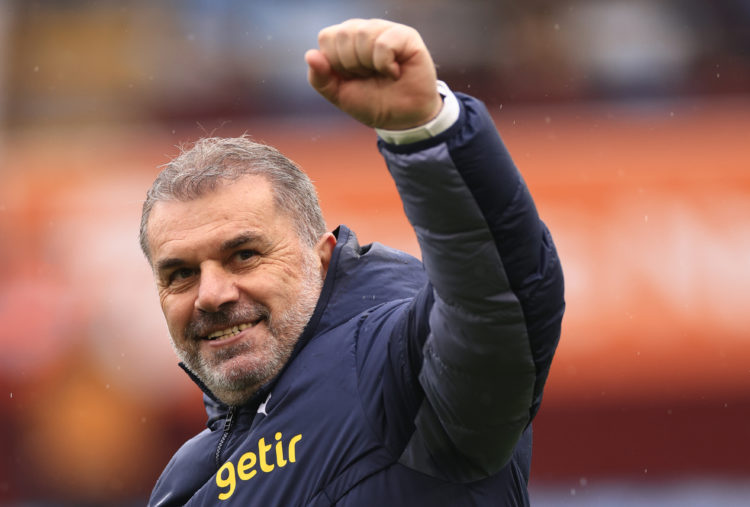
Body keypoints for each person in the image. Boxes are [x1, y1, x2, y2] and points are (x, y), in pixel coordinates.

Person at [142, 18, 564, 506]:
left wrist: (425, 131)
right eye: (181, 274)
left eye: (244, 256)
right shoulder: (185, 483)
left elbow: (499, 300)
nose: (211, 294)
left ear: (321, 258)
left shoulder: (400, 375)